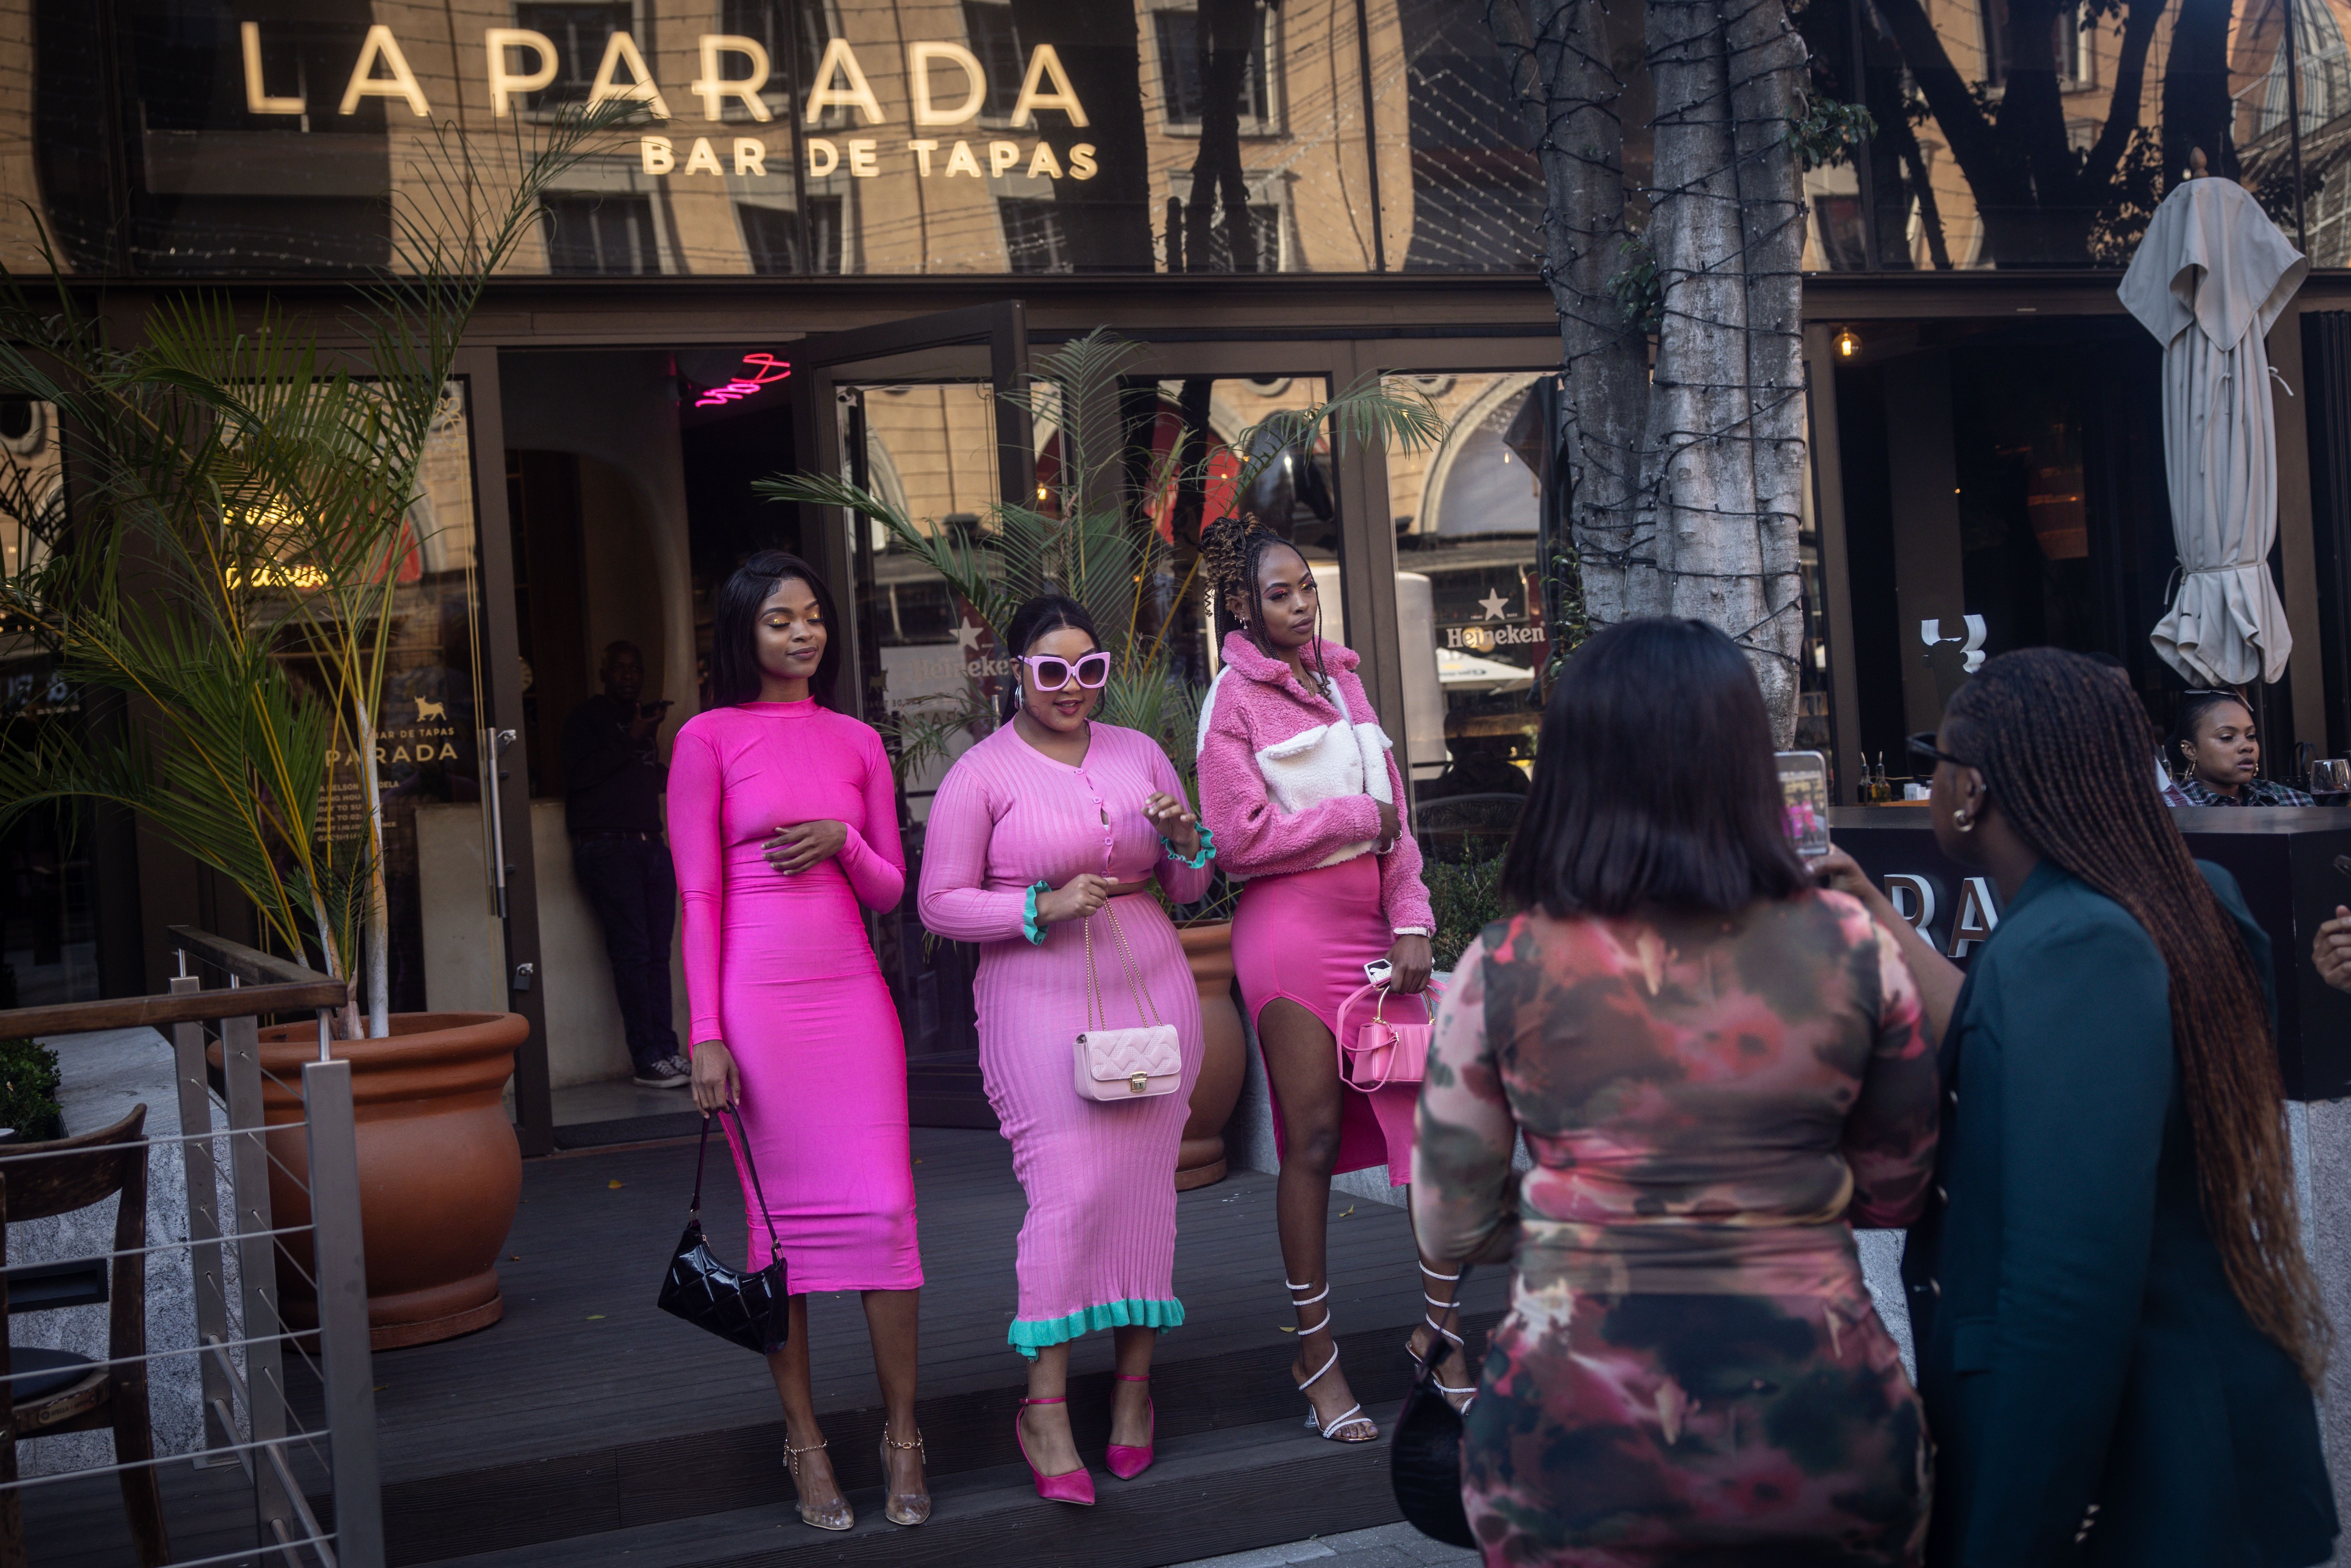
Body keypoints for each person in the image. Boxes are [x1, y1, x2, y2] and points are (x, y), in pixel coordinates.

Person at [1413, 616, 1939, 1567]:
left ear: (1569, 772)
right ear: (1744, 762)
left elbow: (1447, 1223)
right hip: (1823, 1426)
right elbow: (1897, 1187)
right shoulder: (1858, 947)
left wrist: (1555, 1222)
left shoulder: (1503, 965)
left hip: (1568, 1440)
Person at [1860, 649, 2334, 1567]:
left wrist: (2016, 1521)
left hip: (2144, 1471)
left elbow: (2067, 1276)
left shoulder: (2075, 944)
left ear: (1974, 790)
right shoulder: (2180, 899)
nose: (1931, 788)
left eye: (1939, 765)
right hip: (2190, 1445)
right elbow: (2027, 1053)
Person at [917, 594, 1214, 1505]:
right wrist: (1037, 907)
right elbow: (938, 903)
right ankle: (1043, 1405)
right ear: (1017, 672)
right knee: (1071, 1190)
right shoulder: (983, 773)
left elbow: (1192, 883)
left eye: (1091, 668)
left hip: (1151, 980)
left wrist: (1179, 837)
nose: (1073, 687)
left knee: (1141, 1191)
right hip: (1033, 998)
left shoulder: (1142, 752)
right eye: (1052, 669)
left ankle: (1132, 1392)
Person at [667, 551, 929, 1532]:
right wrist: (704, 1033)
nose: (803, 634)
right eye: (781, 619)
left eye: (813, 617)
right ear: (744, 632)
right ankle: (805, 1440)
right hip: (756, 1010)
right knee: (778, 1238)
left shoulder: (858, 740)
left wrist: (842, 841)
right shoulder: (706, 738)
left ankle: (904, 1434)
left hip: (852, 1004)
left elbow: (891, 891)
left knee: (886, 1215)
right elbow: (697, 894)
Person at [1192, 516, 1462, 1444]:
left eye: (1307, 586)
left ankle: (1441, 1331)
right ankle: (1315, 1350)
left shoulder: (1343, 678)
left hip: (1376, 928)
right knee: (1309, 1137)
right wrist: (1357, 810)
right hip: (1291, 933)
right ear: (1241, 604)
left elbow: (1402, 825)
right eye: (1280, 592)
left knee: (1425, 1132)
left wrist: (1415, 918)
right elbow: (1237, 837)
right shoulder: (1232, 700)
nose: (1302, 604)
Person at [562, 641, 687, 1088]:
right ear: (603, 672)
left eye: (636, 668)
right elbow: (579, 779)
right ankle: (647, 1058)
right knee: (633, 954)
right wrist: (631, 737)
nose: (629, 676)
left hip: (651, 846)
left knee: (657, 955)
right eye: (620, 668)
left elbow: (643, 778)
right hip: (608, 849)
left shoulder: (643, 720)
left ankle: (668, 1051)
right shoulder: (587, 719)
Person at [2170, 687, 2313, 805]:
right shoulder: (2171, 809)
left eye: (2251, 736)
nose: (2247, 746)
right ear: (2191, 750)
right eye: (2227, 737)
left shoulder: (2292, 801)